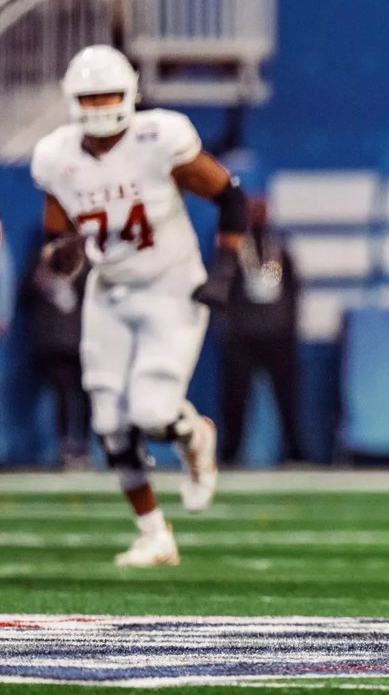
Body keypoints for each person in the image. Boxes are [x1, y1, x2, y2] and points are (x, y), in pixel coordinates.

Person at [31, 44, 246, 567]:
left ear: (129, 94)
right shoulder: (56, 157)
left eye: (108, 94)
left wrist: (222, 272)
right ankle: (154, 534)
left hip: (170, 286)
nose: (100, 106)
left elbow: (231, 197)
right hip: (109, 291)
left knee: (151, 411)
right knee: (108, 420)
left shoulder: (158, 139)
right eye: (90, 97)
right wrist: (61, 255)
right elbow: (57, 239)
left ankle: (196, 434)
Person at [218, 196, 304, 465]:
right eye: (253, 211)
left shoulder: (279, 250)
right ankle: (231, 452)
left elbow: (294, 290)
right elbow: (222, 289)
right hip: (243, 335)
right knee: (235, 399)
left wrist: (289, 325)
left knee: (287, 398)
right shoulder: (235, 251)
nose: (258, 216)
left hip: (277, 335)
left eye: (262, 211)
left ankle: (293, 450)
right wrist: (230, 327)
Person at [22, 244, 92, 467]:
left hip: (82, 338)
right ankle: (66, 447)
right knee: (62, 393)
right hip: (54, 342)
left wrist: (73, 280)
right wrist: (43, 281)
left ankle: (83, 446)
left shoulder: (86, 257)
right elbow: (26, 293)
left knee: (85, 394)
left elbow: (94, 292)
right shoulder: (41, 258)